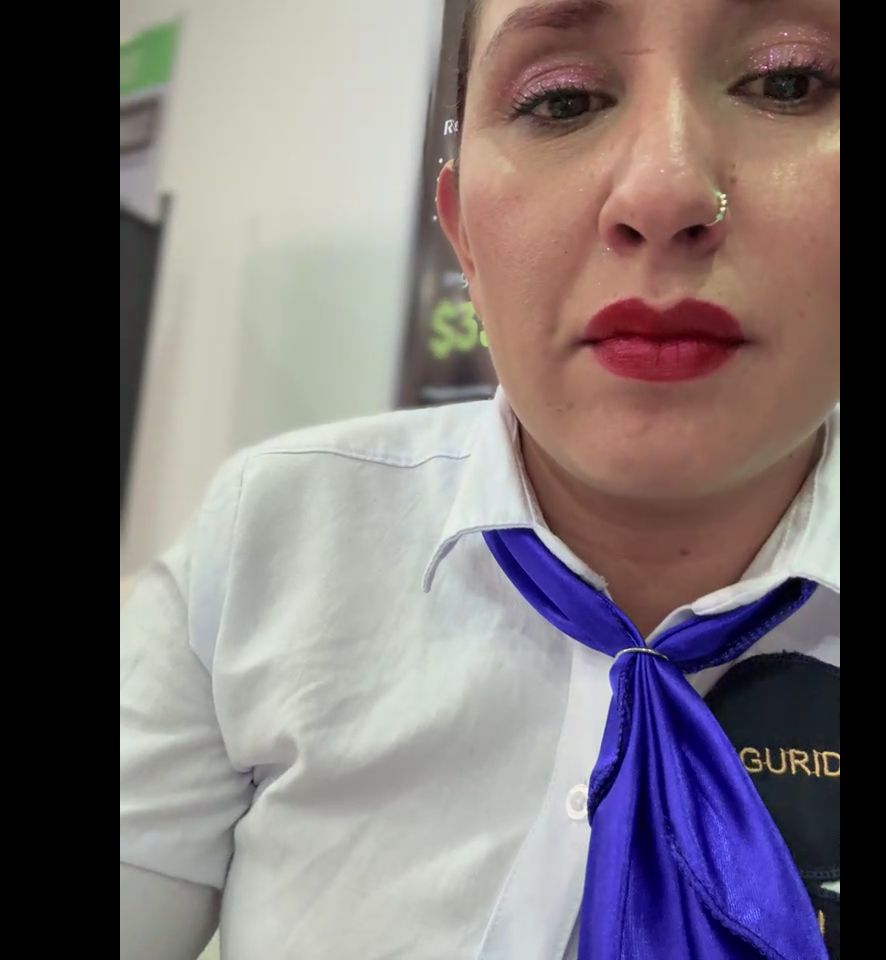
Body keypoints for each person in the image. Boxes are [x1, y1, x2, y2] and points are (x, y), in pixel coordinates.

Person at [120, 1, 840, 957]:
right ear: (462, 234)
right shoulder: (268, 540)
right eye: (563, 99)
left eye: (788, 81)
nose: (664, 192)